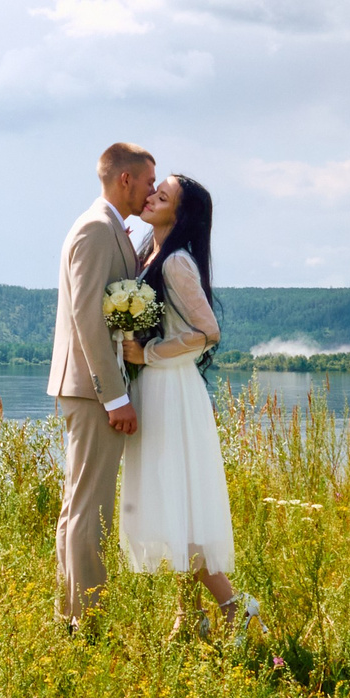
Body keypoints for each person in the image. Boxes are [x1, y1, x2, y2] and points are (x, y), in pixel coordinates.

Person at [118, 173, 258, 637]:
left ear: (180, 214)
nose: (152, 197)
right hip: (155, 388)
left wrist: (149, 353)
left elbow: (208, 331)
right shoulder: (148, 253)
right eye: (154, 190)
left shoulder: (177, 262)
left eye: (163, 195)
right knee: (171, 501)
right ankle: (187, 615)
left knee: (178, 497)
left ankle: (236, 606)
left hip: (172, 389)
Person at [48, 142, 153, 626]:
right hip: (92, 390)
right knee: (90, 507)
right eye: (148, 181)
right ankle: (86, 621)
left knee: (79, 504)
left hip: (89, 387)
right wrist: (115, 395)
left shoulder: (112, 227)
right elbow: (88, 317)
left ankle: (71, 615)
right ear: (125, 179)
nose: (151, 190)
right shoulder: (94, 228)